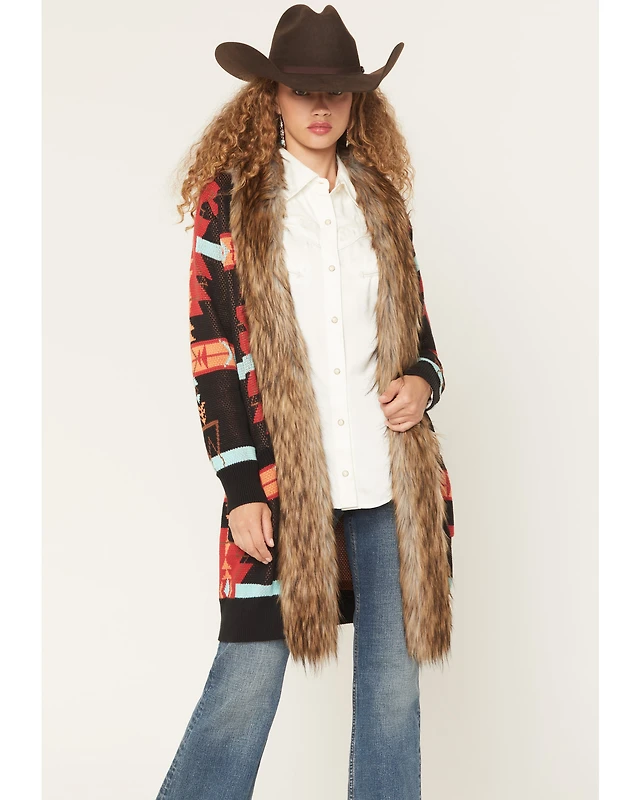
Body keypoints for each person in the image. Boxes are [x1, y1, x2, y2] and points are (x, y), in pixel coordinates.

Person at [155, 5, 455, 799]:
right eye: (301, 89)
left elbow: (421, 336)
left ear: (358, 101)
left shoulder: (380, 203)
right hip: (284, 485)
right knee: (246, 683)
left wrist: (422, 382)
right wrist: (241, 490)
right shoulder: (232, 205)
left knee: (393, 697)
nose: (321, 106)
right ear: (273, 97)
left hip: (391, 483)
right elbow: (213, 353)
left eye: (338, 90)